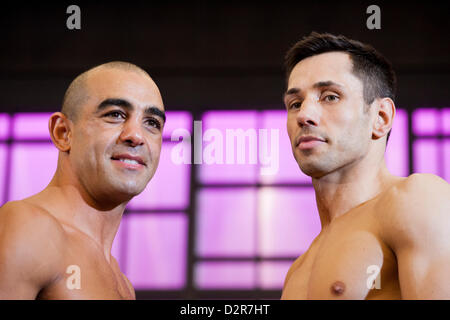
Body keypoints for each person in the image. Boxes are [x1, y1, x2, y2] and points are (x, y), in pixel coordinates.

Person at [281, 32, 450, 299]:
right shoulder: (297, 271)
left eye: (330, 97)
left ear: (381, 117)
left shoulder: (417, 199)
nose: (304, 115)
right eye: (295, 103)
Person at [0, 61, 166, 299]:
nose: (136, 135)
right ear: (63, 133)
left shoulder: (123, 284)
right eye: (116, 115)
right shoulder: (28, 226)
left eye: (152, 123)